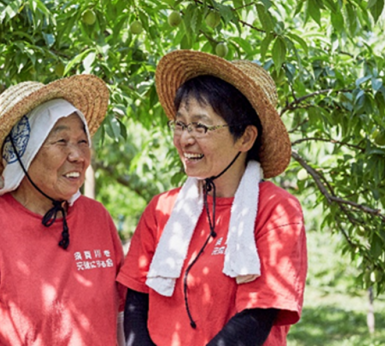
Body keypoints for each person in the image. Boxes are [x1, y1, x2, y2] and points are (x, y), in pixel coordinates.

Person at [117, 50, 307, 346]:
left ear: (245, 137)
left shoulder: (275, 210)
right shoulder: (162, 209)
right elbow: (136, 301)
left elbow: (257, 316)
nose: (185, 138)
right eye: (180, 124)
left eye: (201, 126)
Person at [0, 75, 125, 345]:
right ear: (24, 152)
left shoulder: (97, 218)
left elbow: (120, 320)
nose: (78, 156)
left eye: (83, 142)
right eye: (61, 141)